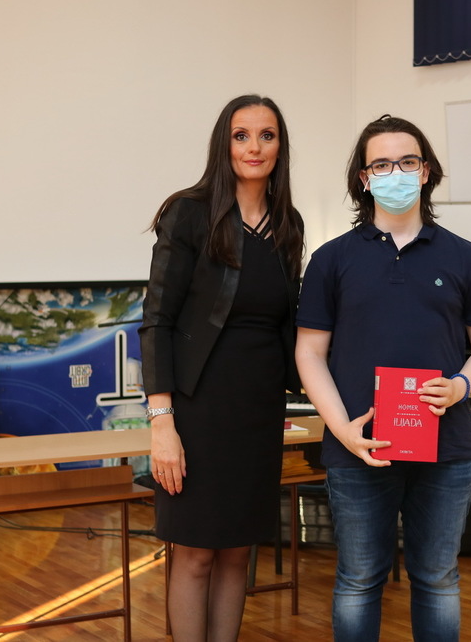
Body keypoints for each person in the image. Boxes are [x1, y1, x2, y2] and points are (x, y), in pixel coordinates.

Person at [295, 114, 471, 641]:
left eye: (407, 162)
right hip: (358, 446)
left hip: (446, 448)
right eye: (382, 164)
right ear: (364, 178)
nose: (396, 173)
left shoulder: (466, 257)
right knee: (358, 580)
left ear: (426, 171)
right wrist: (342, 430)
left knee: (437, 579)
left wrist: (460, 385)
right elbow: (309, 353)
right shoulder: (331, 260)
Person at [138, 94, 304, 641]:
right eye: (241, 135)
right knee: (194, 555)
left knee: (237, 552)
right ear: (223, 144)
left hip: (258, 412)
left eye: (267, 135)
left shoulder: (289, 224)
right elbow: (157, 321)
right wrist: (162, 422)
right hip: (197, 410)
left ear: (280, 147)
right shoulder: (189, 213)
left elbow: (292, 323)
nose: (254, 147)